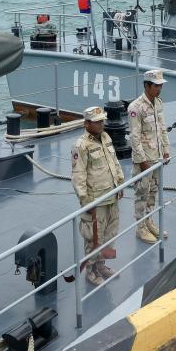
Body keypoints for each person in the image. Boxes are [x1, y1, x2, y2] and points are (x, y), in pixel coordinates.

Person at [71, 105, 125, 286]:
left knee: (109, 234)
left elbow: (114, 162)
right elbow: (78, 176)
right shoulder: (81, 146)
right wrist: (86, 202)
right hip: (96, 202)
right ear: (86, 124)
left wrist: (120, 183)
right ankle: (91, 271)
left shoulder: (106, 137)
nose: (101, 124)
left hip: (111, 196)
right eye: (97, 122)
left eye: (102, 120)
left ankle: (101, 265)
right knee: (93, 238)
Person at [128, 68, 169, 243]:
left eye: (160, 85)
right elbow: (134, 138)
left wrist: (166, 150)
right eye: (156, 86)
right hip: (144, 161)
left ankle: (149, 221)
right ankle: (140, 228)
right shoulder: (136, 108)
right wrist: (142, 161)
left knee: (153, 191)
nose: (159, 89)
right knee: (142, 193)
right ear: (147, 85)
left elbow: (162, 127)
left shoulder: (158, 103)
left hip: (157, 157)